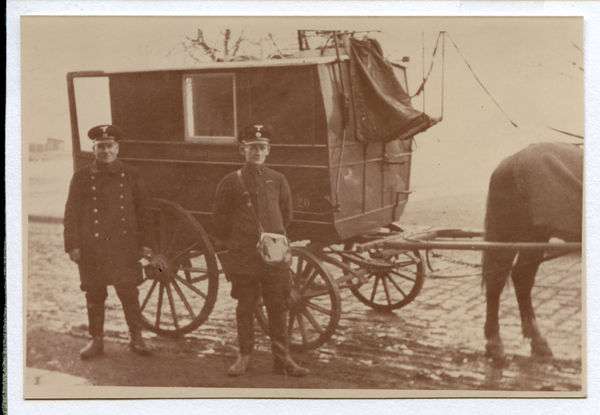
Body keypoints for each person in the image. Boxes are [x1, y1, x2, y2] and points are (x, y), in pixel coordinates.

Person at [212, 124, 309, 377]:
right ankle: (245, 357)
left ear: (268, 151)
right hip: (243, 256)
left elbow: (286, 217)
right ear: (242, 149)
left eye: (262, 148)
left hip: (274, 257)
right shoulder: (230, 181)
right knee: (245, 306)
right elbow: (219, 223)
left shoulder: (277, 180)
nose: (257, 152)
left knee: (278, 306)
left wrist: (268, 240)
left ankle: (283, 359)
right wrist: (241, 242)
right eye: (252, 147)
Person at [64, 124, 153, 359]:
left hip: (124, 247)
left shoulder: (131, 174)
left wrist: (146, 244)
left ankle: (136, 338)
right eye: (100, 146)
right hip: (93, 247)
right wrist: (72, 245)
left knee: (129, 293)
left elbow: (144, 211)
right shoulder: (82, 176)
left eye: (109, 146)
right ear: (94, 149)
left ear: (117, 148)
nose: (105, 151)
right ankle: (97, 341)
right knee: (94, 294)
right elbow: (71, 212)